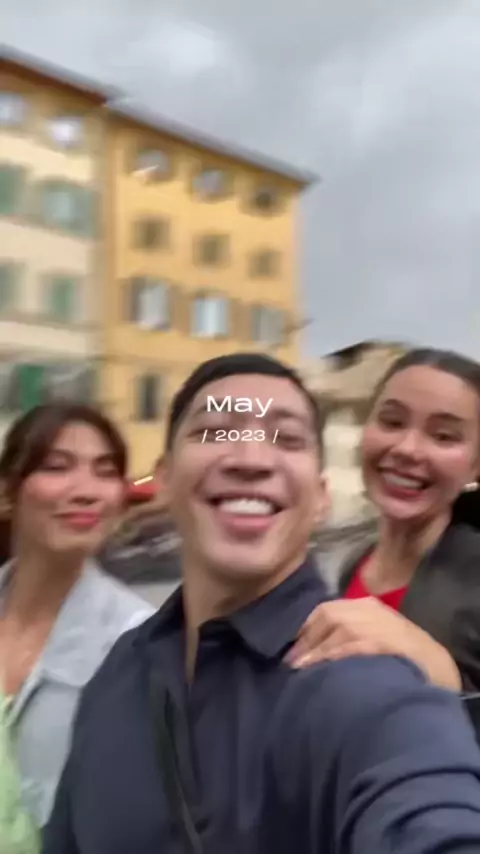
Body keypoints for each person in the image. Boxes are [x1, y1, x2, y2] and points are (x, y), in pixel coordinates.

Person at [44, 353, 480, 854]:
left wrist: (446, 682)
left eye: (286, 438)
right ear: (163, 480)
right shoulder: (118, 672)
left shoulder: (363, 688)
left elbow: (421, 787)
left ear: (320, 497)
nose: (250, 457)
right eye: (216, 431)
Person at [0, 402, 154, 838]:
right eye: (57, 467)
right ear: (9, 490)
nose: (86, 491)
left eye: (105, 472)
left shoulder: (139, 642)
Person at [288, 348, 480, 698]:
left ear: (475, 466)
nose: (407, 448)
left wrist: (439, 671)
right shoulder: (343, 564)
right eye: (392, 422)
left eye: (443, 436)